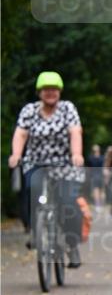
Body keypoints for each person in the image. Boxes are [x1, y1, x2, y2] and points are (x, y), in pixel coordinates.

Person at [8, 71, 85, 267]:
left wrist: (76, 154)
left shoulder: (68, 109)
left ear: (59, 92)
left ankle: (71, 245)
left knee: (69, 204)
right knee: (30, 191)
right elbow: (21, 134)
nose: (50, 93)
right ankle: (35, 230)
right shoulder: (29, 111)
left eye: (54, 89)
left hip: (63, 165)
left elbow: (75, 131)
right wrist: (16, 155)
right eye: (46, 90)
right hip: (36, 163)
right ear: (39, 93)